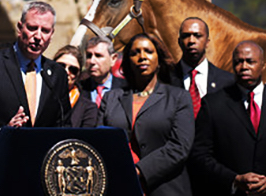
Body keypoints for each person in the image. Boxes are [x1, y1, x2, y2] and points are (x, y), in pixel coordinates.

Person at [0, 1, 71, 189]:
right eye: (32, 28)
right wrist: (3, 132)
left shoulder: (57, 74)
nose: (38, 36)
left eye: (45, 31)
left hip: (39, 179)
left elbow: (64, 128)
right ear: (20, 28)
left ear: (52, 35)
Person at [189, 41, 266, 196]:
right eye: (239, 62)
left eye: (250, 61)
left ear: (263, 65)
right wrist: (233, 179)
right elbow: (200, 155)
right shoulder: (213, 104)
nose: (244, 67)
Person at [99, 33, 193, 195]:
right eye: (135, 53)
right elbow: (100, 140)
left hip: (166, 188)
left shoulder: (178, 97)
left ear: (158, 59)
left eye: (148, 51)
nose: (142, 57)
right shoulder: (112, 98)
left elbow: (180, 146)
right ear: (128, 60)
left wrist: (138, 170)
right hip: (120, 186)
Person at [167, 17, 234, 118]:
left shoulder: (227, 82)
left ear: (207, 42)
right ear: (179, 42)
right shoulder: (165, 80)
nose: (191, 41)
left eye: (197, 36)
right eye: (186, 36)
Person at [53, 44, 98, 128]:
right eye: (61, 66)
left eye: (73, 69)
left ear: (78, 76)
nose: (66, 71)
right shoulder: (37, 94)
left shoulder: (88, 108)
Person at [81, 36, 126, 108]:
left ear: (113, 59)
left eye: (98, 56)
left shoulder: (126, 89)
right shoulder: (79, 88)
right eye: (89, 56)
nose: (92, 61)